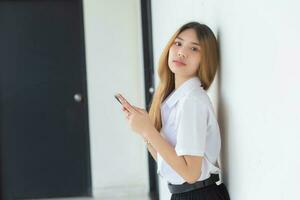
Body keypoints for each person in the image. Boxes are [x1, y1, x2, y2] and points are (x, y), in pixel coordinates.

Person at [119, 21, 230, 200]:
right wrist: (144, 131)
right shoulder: (176, 101)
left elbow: (191, 173)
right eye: (178, 43)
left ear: (205, 59)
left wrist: (148, 129)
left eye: (194, 49)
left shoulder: (191, 101)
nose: (181, 52)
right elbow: (170, 164)